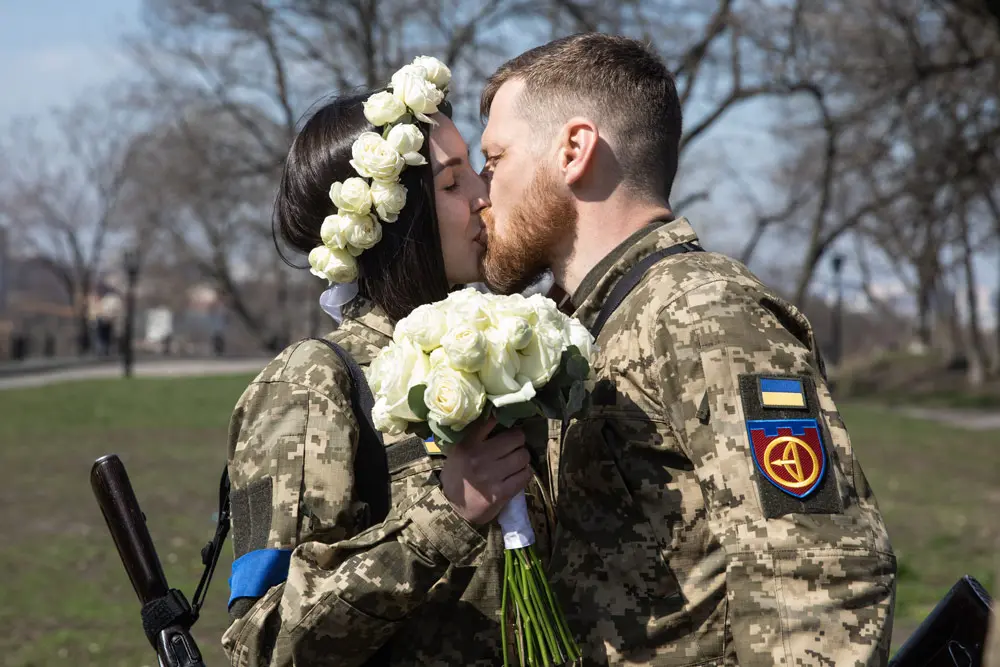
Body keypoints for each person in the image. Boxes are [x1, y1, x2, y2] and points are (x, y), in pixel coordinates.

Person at [478, 33, 897, 666]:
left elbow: (819, 580)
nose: (484, 193)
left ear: (573, 149)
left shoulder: (700, 312)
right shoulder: (595, 323)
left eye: (495, 159)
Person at [223, 59, 547, 666]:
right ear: (397, 226)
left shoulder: (506, 345)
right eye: (451, 186)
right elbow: (259, 644)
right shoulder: (311, 383)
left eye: (475, 173)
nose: (484, 197)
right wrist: (443, 518)